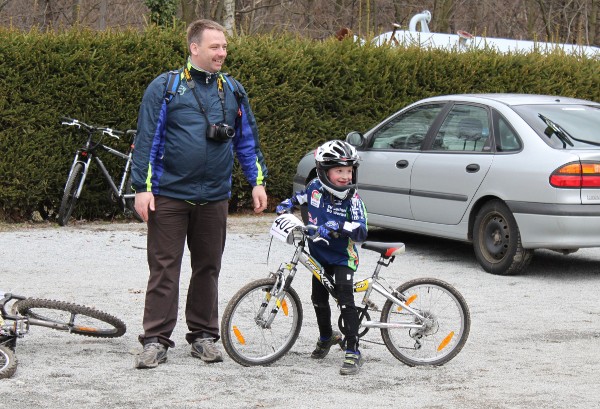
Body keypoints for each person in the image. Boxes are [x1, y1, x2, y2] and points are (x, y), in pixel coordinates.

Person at [131, 19, 268, 369]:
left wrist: (257, 181)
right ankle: (155, 340)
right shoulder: (166, 87)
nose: (222, 52)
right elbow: (148, 140)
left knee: (208, 267)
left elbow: (246, 140)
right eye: (215, 47)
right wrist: (143, 189)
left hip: (214, 197)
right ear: (195, 49)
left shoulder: (233, 90)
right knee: (164, 268)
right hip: (170, 195)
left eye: (224, 47)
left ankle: (204, 336)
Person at [276, 140, 367, 375]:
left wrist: (338, 224)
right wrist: (289, 203)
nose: (346, 176)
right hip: (318, 254)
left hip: (341, 258)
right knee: (318, 298)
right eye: (339, 171)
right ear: (324, 172)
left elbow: (361, 230)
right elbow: (302, 197)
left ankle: (353, 350)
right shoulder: (315, 186)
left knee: (345, 300)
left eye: (349, 170)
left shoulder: (352, 199)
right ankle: (327, 336)